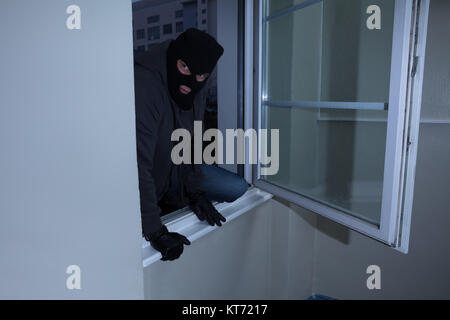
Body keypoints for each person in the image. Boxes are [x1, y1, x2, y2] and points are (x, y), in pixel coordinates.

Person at [134, 28, 248, 261]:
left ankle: (174, 196)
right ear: (174, 58)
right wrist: (155, 230)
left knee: (236, 188)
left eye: (200, 76)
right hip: (146, 175)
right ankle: (160, 202)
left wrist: (195, 191)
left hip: (175, 169)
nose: (190, 81)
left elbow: (193, 140)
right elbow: (137, 166)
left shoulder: (198, 84)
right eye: (184, 67)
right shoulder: (145, 84)